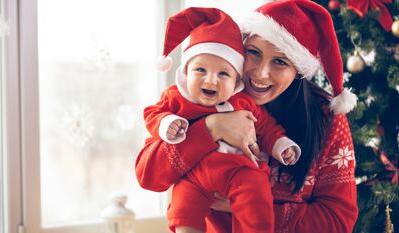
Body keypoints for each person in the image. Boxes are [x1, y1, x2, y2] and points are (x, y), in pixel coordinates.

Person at [136, 1, 359, 232]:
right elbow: (149, 175)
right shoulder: (198, 97)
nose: (260, 73)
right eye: (254, 52)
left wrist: (248, 208)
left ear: (297, 71)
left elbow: (337, 221)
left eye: (280, 62)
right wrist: (211, 128)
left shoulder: (326, 116)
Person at [144, 7, 301, 233]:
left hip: (238, 171)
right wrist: (167, 123)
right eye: (200, 70)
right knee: (183, 202)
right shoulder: (175, 97)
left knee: (255, 192)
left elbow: (267, 128)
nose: (211, 80)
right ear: (186, 71)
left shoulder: (243, 102)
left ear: (236, 80)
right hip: (195, 175)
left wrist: (282, 145)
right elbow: (153, 114)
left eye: (223, 74)